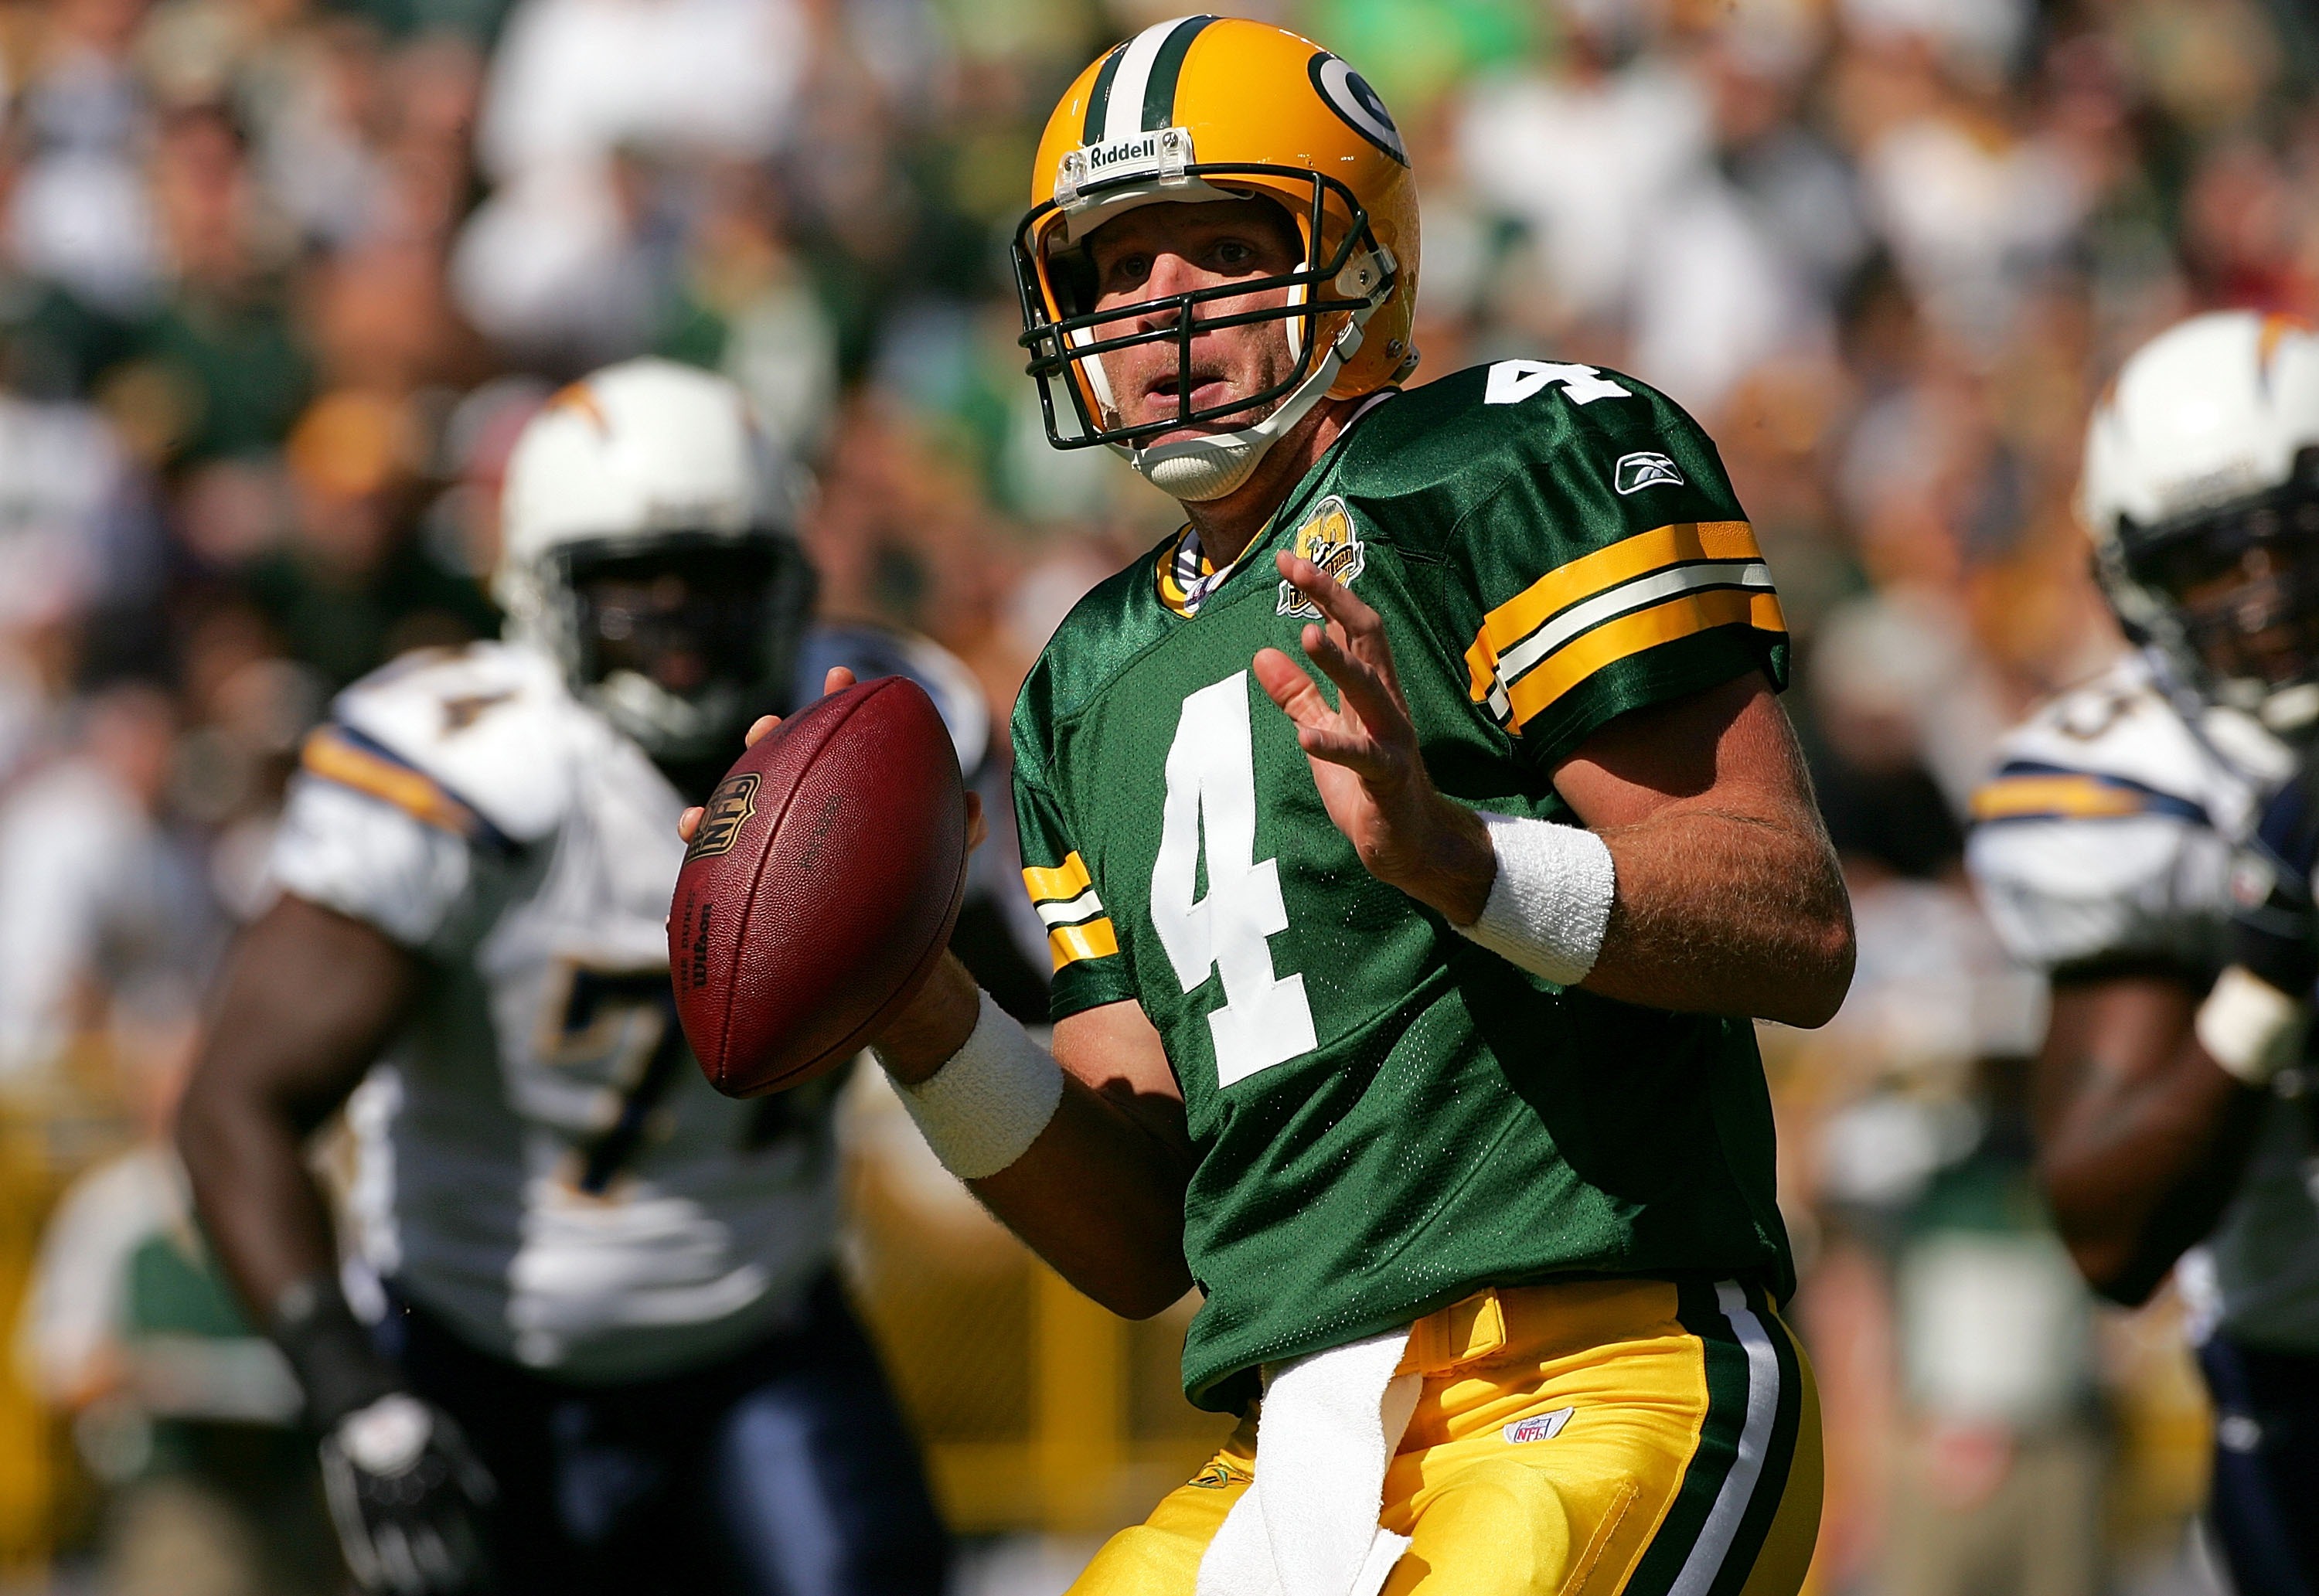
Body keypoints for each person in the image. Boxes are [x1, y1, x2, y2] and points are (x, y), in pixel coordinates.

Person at [690, 20, 1853, 1594]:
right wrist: (918, 1006)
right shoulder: (1082, 679)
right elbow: (1139, 1233)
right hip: (1289, 1441)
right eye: (1112, 273)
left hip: (1595, 1369)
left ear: (1356, 256)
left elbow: (1790, 917)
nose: (1162, 314)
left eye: (1223, 249)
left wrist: (1462, 860)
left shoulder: (1503, 461)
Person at [175, 359, 969, 1596]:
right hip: (483, 1351)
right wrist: (351, 1392)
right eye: (628, 582)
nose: (678, 615)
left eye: (714, 574)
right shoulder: (474, 775)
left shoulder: (868, 728)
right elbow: (235, 1100)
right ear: (540, 593)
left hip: (762, 1329)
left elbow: (1053, 996)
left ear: (788, 574)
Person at [1966, 310, 2319, 1596]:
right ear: (2138, 587)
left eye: (2292, 534)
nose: (2267, 591)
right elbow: (2110, 1233)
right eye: (2213, 562)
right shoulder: (2137, 794)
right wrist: (2273, 972)